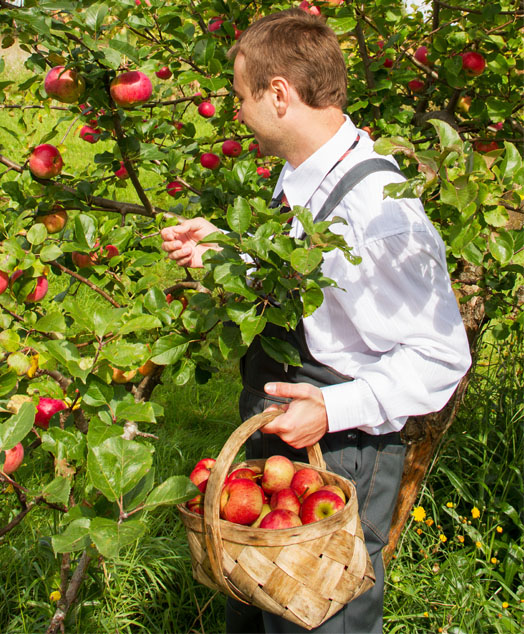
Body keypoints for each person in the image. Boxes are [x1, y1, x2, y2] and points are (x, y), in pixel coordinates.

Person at [161, 9, 471, 633]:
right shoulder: (309, 171)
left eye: (242, 97)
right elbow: (322, 287)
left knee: (321, 618)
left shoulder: (381, 212)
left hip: (342, 447)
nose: (238, 112)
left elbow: (442, 355)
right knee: (259, 603)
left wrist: (331, 410)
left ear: (279, 95)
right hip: (283, 434)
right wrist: (229, 248)